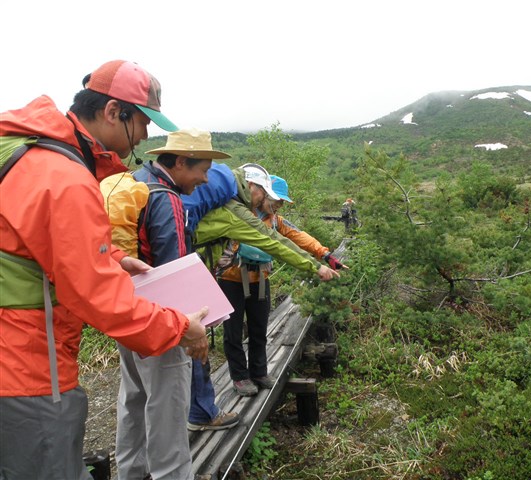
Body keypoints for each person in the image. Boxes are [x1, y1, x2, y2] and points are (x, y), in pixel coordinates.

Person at [0, 60, 209, 480]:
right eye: (143, 122)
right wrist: (178, 327)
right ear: (114, 111)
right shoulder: (64, 177)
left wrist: (110, 257)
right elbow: (97, 297)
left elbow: (28, 240)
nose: (147, 136)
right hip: (27, 367)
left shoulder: (21, 148)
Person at [114, 129, 240, 479]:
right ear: (181, 162)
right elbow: (173, 273)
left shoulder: (136, 183)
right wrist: (191, 331)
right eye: (203, 169)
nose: (204, 179)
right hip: (161, 324)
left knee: (133, 403)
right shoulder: (165, 198)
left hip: (127, 314)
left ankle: (131, 473)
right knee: (168, 412)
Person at [182, 163, 340, 410]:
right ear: (260, 191)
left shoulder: (275, 220)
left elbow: (299, 237)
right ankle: (239, 377)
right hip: (230, 279)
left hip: (260, 280)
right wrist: (315, 265)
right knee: (233, 332)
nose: (278, 205)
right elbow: (274, 244)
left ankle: (259, 372)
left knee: (259, 328)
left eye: (280, 202)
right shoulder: (239, 214)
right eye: (275, 199)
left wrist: (324, 254)